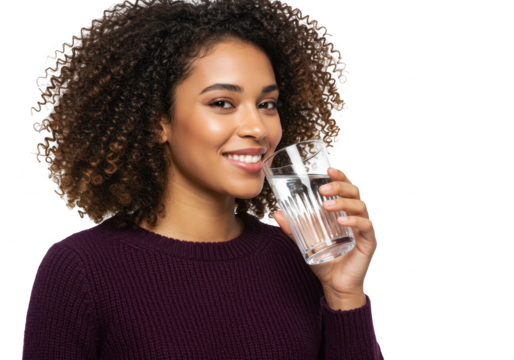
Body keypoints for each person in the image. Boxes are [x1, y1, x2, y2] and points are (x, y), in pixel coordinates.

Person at [23, 0, 384, 358]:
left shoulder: (305, 260)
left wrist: (343, 293)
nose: (258, 128)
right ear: (157, 121)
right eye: (222, 103)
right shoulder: (80, 270)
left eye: (267, 104)